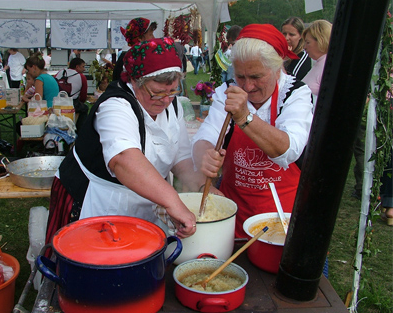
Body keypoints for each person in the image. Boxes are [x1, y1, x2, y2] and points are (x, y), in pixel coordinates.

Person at [46, 38, 219, 247]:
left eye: (173, 91)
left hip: (147, 199)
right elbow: (123, 160)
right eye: (157, 93)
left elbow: (180, 158)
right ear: (136, 81)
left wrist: (201, 187)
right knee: (96, 265)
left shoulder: (172, 107)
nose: (166, 100)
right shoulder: (115, 106)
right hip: (100, 202)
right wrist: (173, 201)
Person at [192, 24, 314, 238]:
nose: (247, 87)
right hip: (234, 211)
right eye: (241, 77)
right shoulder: (227, 91)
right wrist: (205, 157)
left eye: (256, 77)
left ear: (277, 69)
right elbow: (206, 136)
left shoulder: (296, 93)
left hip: (283, 216)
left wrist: (244, 117)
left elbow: (289, 150)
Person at [302, 20, 332, 104]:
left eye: (308, 42)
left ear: (321, 41)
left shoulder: (328, 67)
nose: (304, 47)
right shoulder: (319, 63)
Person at [54, 58, 89, 129]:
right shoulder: (81, 77)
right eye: (83, 67)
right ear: (77, 67)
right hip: (72, 103)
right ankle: (80, 131)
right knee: (85, 108)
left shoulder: (60, 72)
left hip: (57, 102)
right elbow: (83, 96)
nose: (84, 69)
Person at [281, 17, 312, 81]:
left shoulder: (302, 57)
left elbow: (291, 83)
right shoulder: (277, 52)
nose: (286, 38)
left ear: (300, 36)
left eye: (291, 35)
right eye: (284, 34)